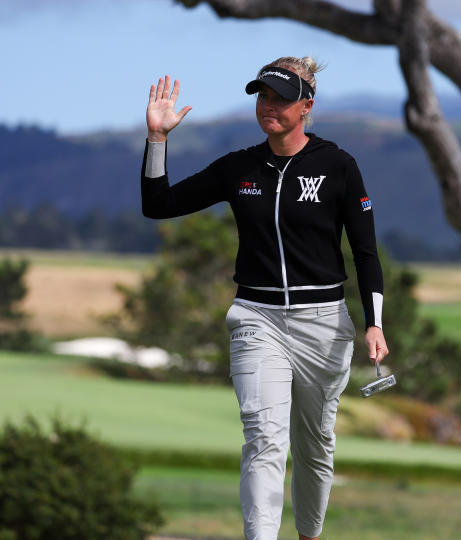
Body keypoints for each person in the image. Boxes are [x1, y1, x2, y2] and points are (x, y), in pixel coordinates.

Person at [140, 57, 389, 540]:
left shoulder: (338, 166)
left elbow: (365, 252)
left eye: (280, 98)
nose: (268, 106)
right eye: (263, 96)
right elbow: (159, 205)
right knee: (264, 439)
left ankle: (308, 536)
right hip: (257, 318)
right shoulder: (240, 167)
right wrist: (157, 140)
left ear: (307, 106)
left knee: (315, 446)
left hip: (324, 324)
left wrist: (374, 323)